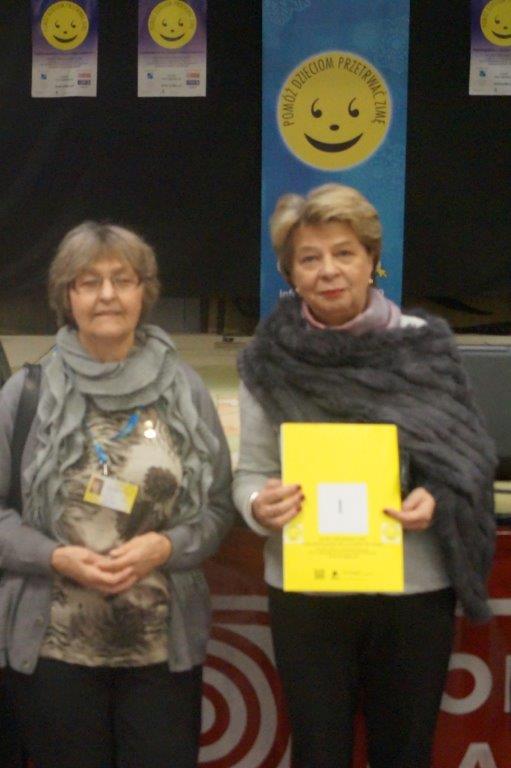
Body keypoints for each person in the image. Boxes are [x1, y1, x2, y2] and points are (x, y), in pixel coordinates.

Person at [232, 184, 496, 768]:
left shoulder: (425, 347)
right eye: (309, 258)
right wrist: (258, 505)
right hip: (308, 592)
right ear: (291, 273)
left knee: (404, 754)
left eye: (344, 253)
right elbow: (251, 473)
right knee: (318, 753)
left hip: (412, 590)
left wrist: (434, 497)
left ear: (372, 260)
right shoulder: (267, 361)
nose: (328, 270)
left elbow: (469, 458)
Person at [0, 221, 235, 768]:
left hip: (160, 650)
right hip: (54, 648)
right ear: (67, 297)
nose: (107, 294)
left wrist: (167, 547)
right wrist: (54, 556)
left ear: (143, 292)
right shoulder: (26, 392)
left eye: (122, 279)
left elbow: (218, 506)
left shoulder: (184, 390)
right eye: (89, 282)